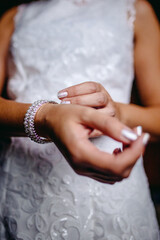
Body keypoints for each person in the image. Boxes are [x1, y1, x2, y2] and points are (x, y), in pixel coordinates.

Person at [0, 0, 159, 239]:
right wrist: (44, 117)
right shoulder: (15, 16)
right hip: (26, 188)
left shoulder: (134, 10)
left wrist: (118, 112)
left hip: (114, 190)